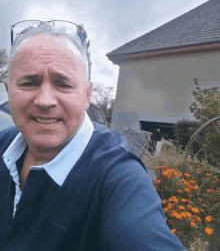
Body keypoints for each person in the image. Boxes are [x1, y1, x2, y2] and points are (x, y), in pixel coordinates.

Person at [0, 21, 186, 251]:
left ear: (87, 95)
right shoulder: (3, 144)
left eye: (63, 84)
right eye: (29, 82)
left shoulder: (118, 176)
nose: (45, 100)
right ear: (9, 92)